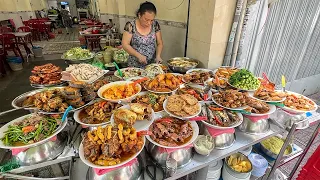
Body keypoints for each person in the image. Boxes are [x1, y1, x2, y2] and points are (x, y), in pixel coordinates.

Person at [122, 1, 163, 68]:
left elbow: (159, 43)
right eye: (146, 19)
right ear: (139, 15)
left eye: (151, 20)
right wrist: (138, 56)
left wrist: (158, 56)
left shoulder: (155, 25)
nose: (149, 23)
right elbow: (125, 44)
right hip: (134, 66)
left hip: (151, 65)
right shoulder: (130, 25)